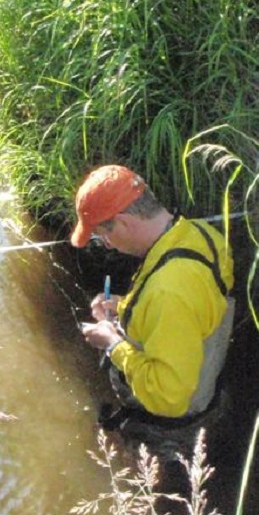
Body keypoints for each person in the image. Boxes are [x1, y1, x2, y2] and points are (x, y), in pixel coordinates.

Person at [70, 164, 235, 465]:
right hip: (207, 386)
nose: (106, 244)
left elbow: (169, 398)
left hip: (173, 427)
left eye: (102, 236)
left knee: (163, 492)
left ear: (122, 222)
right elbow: (195, 307)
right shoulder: (198, 233)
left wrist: (112, 344)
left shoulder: (168, 292)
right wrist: (122, 306)